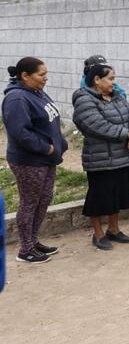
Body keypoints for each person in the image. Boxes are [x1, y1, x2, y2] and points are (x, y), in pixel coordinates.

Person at [2, 57, 68, 264]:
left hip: (46, 159)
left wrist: (60, 144)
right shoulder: (17, 99)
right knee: (30, 203)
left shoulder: (36, 92)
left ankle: (33, 240)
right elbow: (20, 132)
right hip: (28, 160)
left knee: (44, 199)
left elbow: (49, 121)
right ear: (25, 76)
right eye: (41, 74)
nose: (45, 78)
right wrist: (46, 147)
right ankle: (25, 249)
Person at [72, 63, 129, 250]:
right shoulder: (84, 100)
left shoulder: (117, 97)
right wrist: (126, 134)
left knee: (116, 195)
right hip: (100, 159)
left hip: (122, 156)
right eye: (110, 78)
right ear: (96, 80)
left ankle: (114, 229)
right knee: (99, 197)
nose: (113, 82)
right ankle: (98, 233)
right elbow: (97, 125)